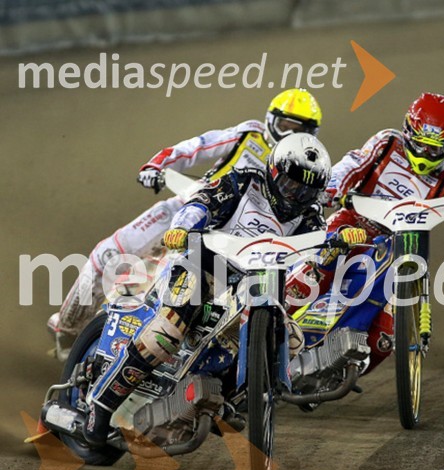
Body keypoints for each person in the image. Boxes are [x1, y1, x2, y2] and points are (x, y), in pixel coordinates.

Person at [84, 133, 331, 446]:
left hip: (256, 284)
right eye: (290, 185)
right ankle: (101, 404)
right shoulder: (242, 183)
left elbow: (318, 250)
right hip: (205, 265)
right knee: (168, 331)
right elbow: (201, 202)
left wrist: (329, 252)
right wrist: (183, 228)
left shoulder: (311, 217)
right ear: (272, 172)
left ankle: (232, 396)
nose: (295, 195)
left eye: (305, 190)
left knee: (293, 339)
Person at [48, 89, 323, 358]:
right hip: (192, 207)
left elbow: (322, 198)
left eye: (297, 130)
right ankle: (69, 326)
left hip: (233, 240)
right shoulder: (248, 136)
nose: (288, 134)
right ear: (270, 119)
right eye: (284, 125)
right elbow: (199, 146)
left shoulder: (307, 167)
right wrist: (157, 166)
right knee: (108, 254)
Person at [285, 92, 444, 373]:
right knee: (313, 272)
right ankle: (264, 322)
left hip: (398, 248)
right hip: (353, 225)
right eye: (422, 145)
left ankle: (336, 371)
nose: (426, 154)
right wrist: (331, 188)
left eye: (435, 149)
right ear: (408, 131)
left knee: (384, 340)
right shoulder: (386, 143)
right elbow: (352, 164)